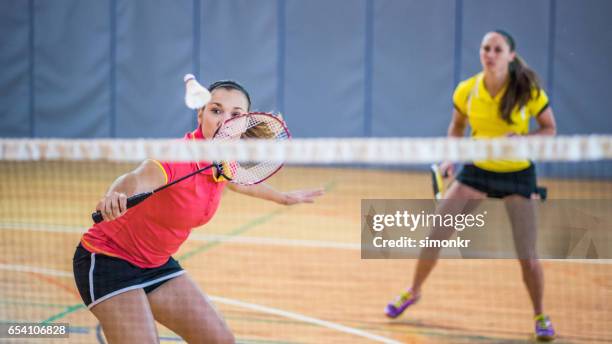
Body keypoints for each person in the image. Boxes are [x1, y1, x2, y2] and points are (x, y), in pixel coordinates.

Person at [73, 80, 324, 343]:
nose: (225, 120)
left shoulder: (222, 160)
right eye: (217, 110)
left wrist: (282, 198)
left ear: (245, 123)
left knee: (220, 341)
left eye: (236, 115)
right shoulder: (178, 155)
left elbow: (239, 182)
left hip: (156, 265)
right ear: (200, 114)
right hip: (108, 260)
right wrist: (117, 194)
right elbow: (137, 178)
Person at [384, 30, 557, 341]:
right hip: (476, 168)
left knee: (527, 254)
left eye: (497, 49)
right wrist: (452, 158)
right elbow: (457, 126)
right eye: (485, 48)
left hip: (518, 174)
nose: (490, 54)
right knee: (434, 235)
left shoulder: (527, 90)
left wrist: (523, 140)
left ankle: (540, 314)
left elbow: (549, 129)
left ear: (510, 55)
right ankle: (413, 291)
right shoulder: (467, 90)